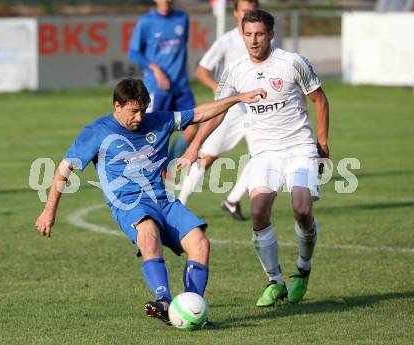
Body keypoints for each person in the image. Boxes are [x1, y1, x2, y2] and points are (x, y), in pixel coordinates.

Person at [34, 78, 266, 324]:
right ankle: (163, 300)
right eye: (133, 111)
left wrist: (237, 98)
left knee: (200, 243)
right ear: (117, 106)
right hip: (129, 204)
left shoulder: (160, 121)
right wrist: (49, 211)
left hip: (163, 201)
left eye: (143, 111)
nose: (139, 118)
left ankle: (189, 308)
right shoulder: (97, 131)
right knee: (148, 232)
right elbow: (64, 169)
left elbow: (199, 114)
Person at [181, 9, 330, 307]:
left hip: (299, 148)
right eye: (248, 34)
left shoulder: (292, 63)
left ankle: (303, 269)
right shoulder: (235, 71)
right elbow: (218, 111)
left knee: (301, 208)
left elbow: (319, 99)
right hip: (264, 153)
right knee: (259, 210)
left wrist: (322, 144)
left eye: (259, 34)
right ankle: (274, 281)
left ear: (271, 34)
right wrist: (195, 143)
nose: (253, 40)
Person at [178, 0, 258, 221]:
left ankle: (232, 200)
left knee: (263, 155)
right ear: (235, 13)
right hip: (230, 109)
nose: (248, 15)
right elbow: (201, 70)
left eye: (252, 11)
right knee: (207, 157)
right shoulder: (227, 41)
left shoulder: (263, 38)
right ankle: (180, 203)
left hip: (257, 110)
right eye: (244, 12)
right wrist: (220, 92)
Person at [128, 0, 197, 168]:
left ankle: (169, 165)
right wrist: (155, 69)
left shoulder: (182, 18)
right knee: (154, 134)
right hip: (157, 89)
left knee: (193, 128)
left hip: (181, 87)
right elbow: (133, 52)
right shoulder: (146, 22)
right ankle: (140, 168)